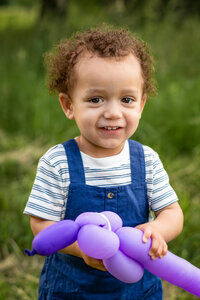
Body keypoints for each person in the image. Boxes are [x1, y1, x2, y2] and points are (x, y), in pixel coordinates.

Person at [24, 25, 184, 299]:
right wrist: (82, 247)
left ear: (141, 105)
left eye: (126, 99)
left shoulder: (146, 160)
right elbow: (41, 224)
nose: (113, 112)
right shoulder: (58, 162)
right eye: (96, 99)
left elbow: (173, 213)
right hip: (72, 289)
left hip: (137, 289)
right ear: (68, 105)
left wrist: (157, 229)